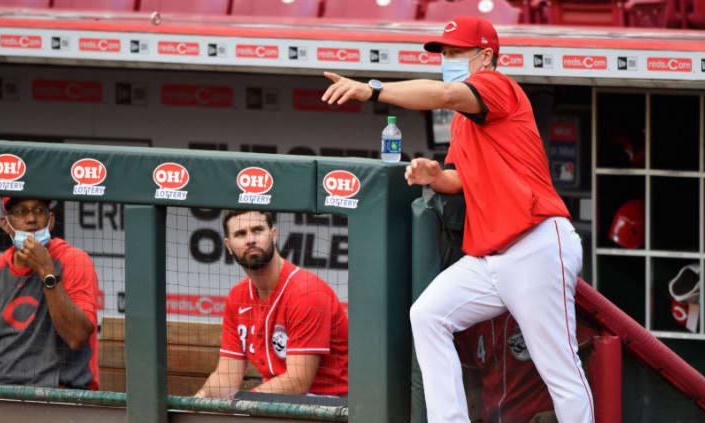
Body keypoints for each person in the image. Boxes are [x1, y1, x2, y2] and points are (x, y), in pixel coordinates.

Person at [321, 15, 594, 423]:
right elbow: (461, 179)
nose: (446, 59)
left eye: (455, 52)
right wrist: (435, 176)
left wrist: (372, 89)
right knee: (428, 315)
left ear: (486, 56)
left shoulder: (497, 86)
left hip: (536, 242)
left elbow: (446, 93)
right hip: (492, 259)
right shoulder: (467, 123)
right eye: (443, 53)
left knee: (558, 367)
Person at [195, 210, 348, 398]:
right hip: (273, 402)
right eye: (240, 234)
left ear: (273, 236)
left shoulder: (307, 292)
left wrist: (239, 403)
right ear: (228, 245)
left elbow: (297, 383)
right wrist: (195, 405)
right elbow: (226, 378)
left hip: (330, 405)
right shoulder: (237, 297)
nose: (250, 239)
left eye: (257, 230)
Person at [0, 197, 99, 390]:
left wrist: (46, 270)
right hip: (1, 392)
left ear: (51, 220)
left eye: (39, 210)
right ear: (6, 224)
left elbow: (77, 336)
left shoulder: (74, 260)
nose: (31, 219)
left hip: (61, 395)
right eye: (21, 211)